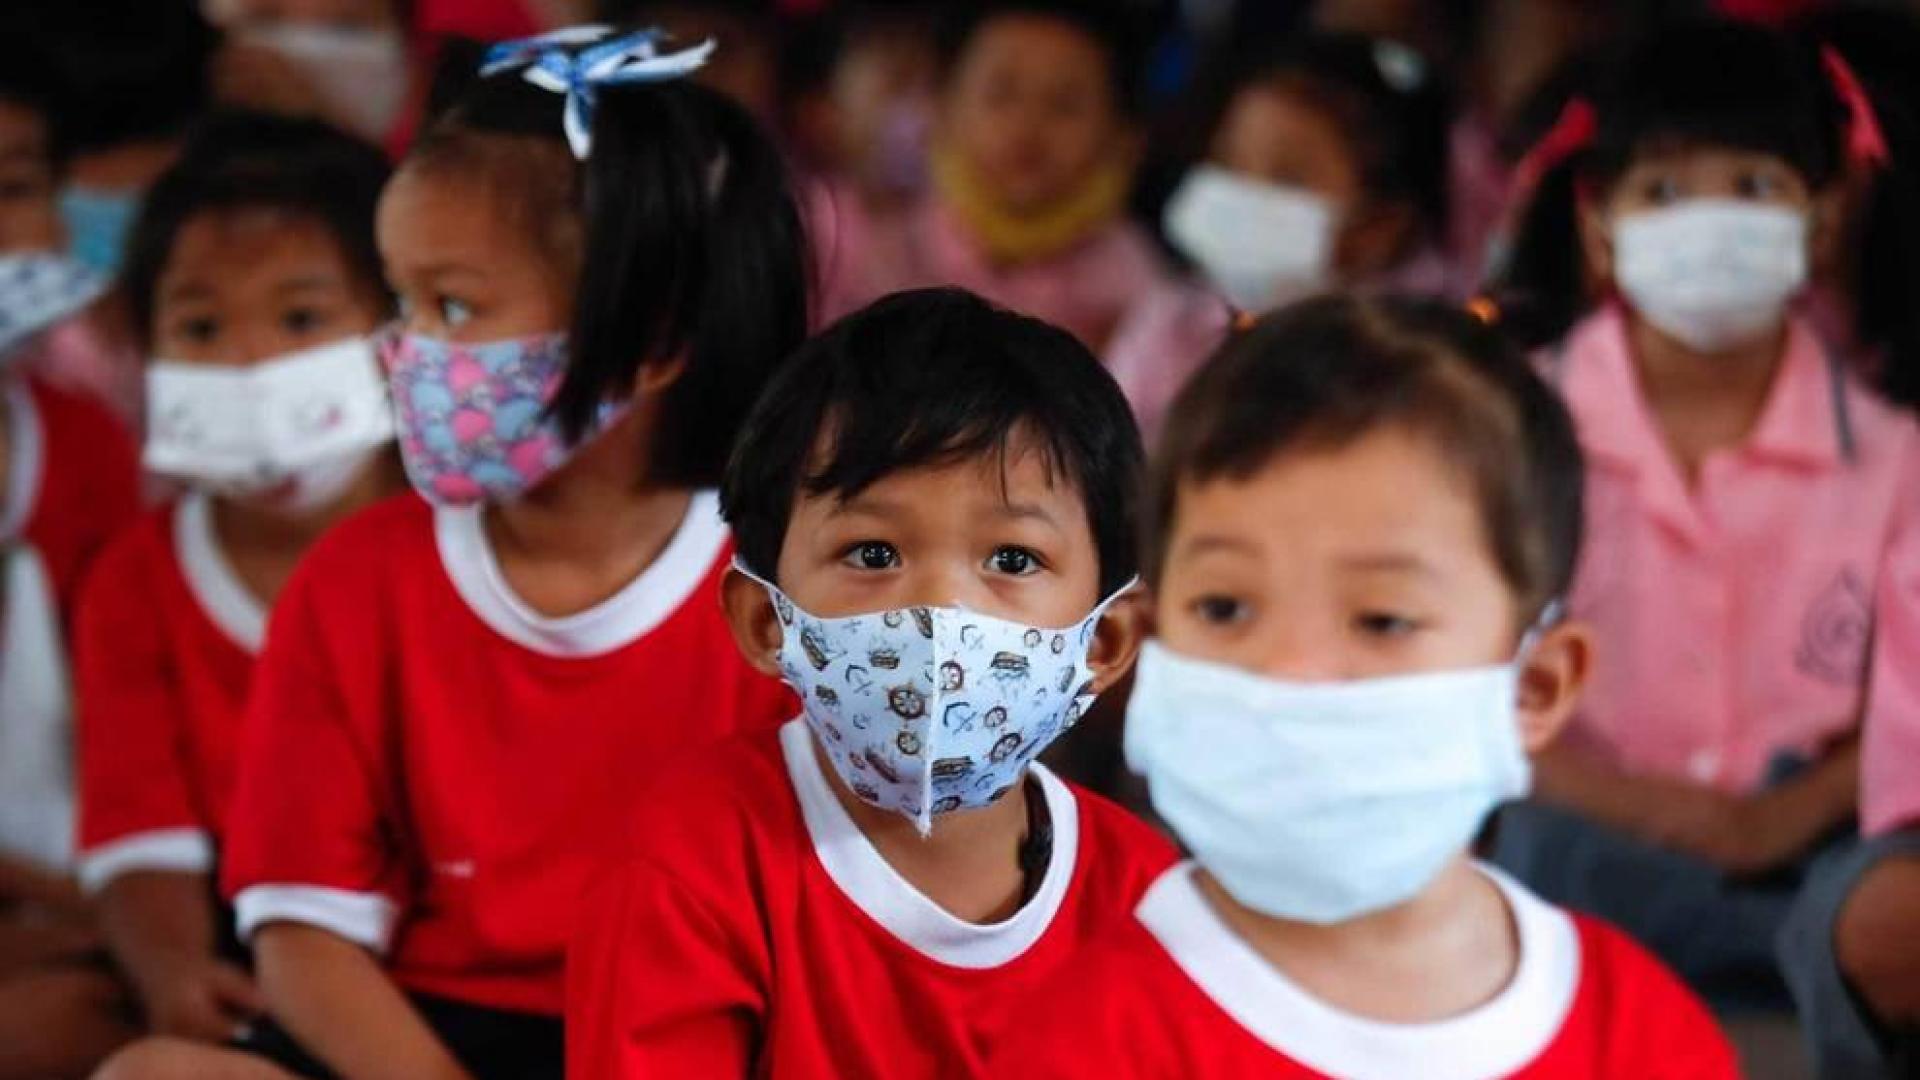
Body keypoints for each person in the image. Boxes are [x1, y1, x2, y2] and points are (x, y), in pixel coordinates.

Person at [98, 25, 808, 1080]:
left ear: (649, 343)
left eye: (455, 306)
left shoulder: (789, 594)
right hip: (407, 1042)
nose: (404, 351)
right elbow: (303, 937)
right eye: (402, 302)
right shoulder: (356, 581)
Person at [992, 294, 1737, 1078]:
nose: (1291, 669)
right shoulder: (1085, 1043)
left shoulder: (1644, 1040)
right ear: (1151, 646)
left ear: (1535, 688)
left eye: (1382, 619)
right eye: (1224, 607)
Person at [565, 287, 1177, 1077]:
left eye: (1012, 559)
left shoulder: (1148, 903)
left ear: (1107, 640)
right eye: (874, 553)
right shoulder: (690, 868)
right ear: (765, 620)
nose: (940, 610)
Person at [1485, 19, 1920, 1077]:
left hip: (1806, 850)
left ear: (1825, 215)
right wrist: (1672, 815)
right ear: (1597, 220)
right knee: (1517, 858)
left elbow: (1903, 721)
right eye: (1667, 191)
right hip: (1572, 829)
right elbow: (1458, 673)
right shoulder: (1502, 425)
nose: (1710, 222)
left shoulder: (1897, 453)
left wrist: (1771, 823)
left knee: (1882, 906)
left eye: (1754, 186)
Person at [74, 111, 402, 1054]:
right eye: (201, 326)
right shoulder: (136, 580)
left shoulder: (470, 548)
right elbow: (140, 830)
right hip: (240, 966)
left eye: (301, 318)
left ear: (401, 325)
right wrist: (175, 974)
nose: (250, 359)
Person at [1106, 31, 1453, 444]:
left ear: (1379, 225)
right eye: (1227, 160)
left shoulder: (1419, 361)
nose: (1239, 192)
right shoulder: (1173, 320)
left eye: (1288, 178)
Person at [819, 0, 1169, 354]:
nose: (1028, 126)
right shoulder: (857, 253)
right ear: (941, 105)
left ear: (1123, 136)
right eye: (1001, 93)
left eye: (1065, 104)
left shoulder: (1146, 301)